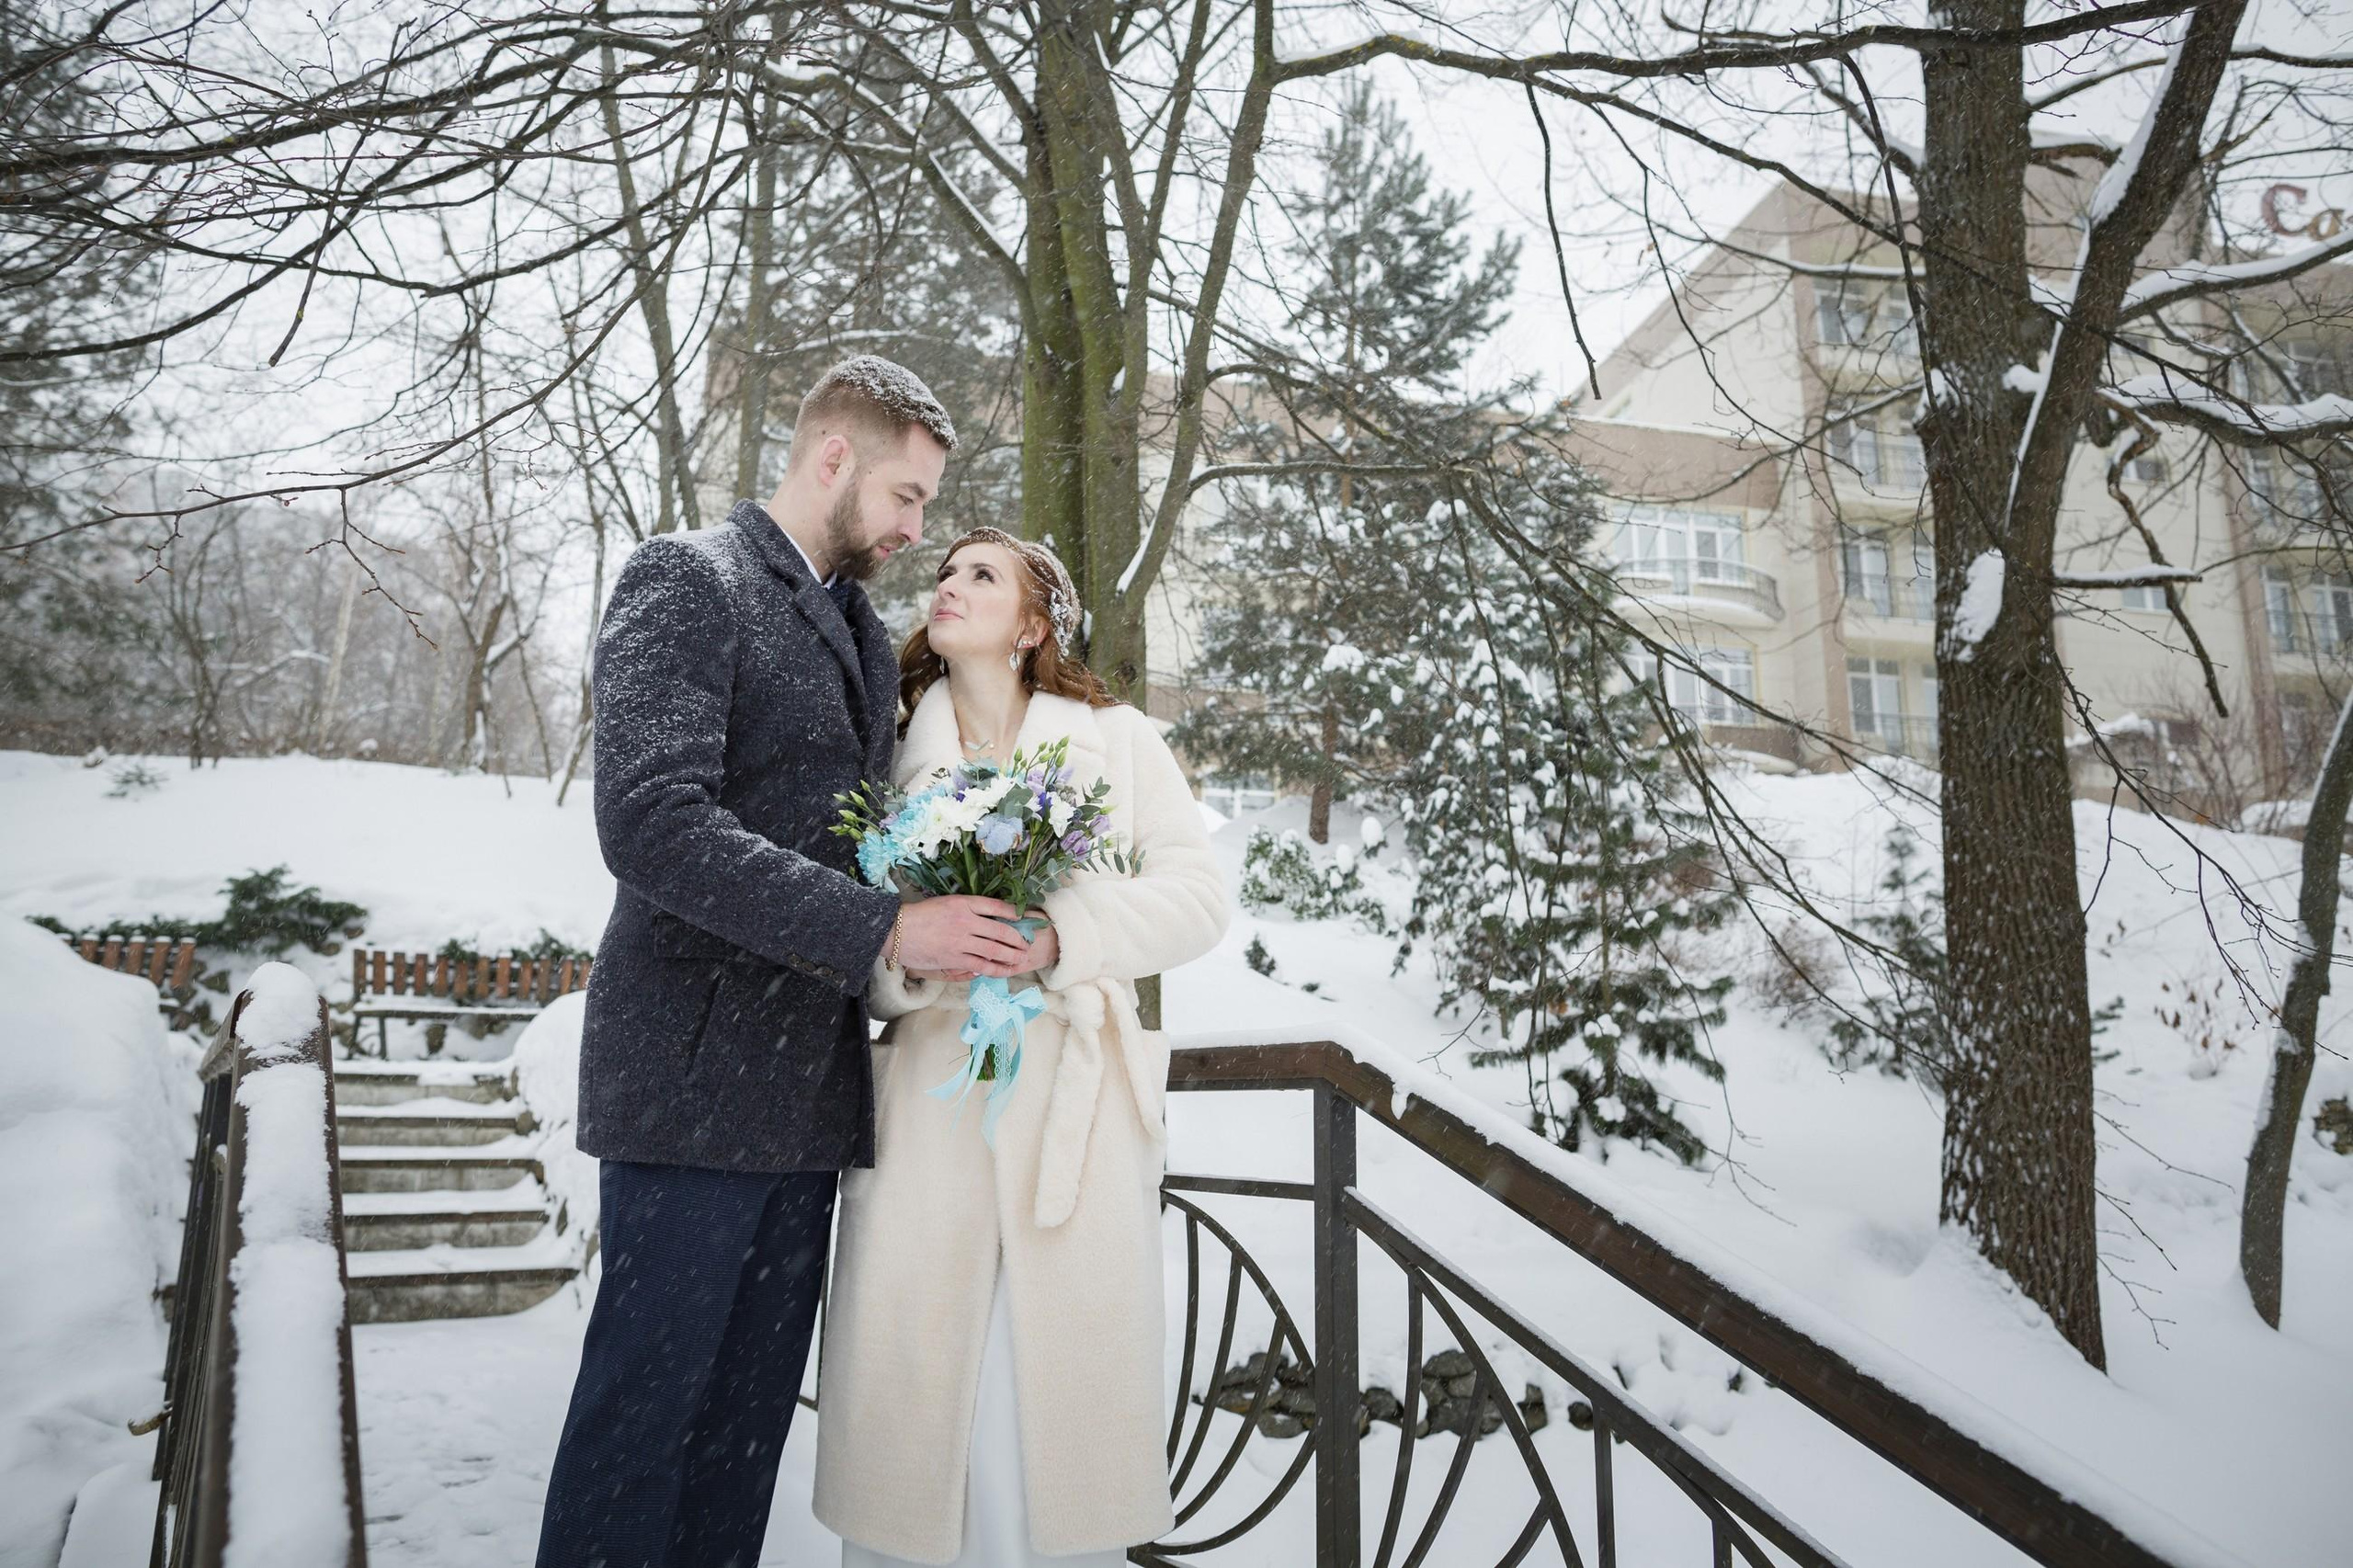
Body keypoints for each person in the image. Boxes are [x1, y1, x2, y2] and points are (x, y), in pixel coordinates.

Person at [535, 358, 1039, 1568]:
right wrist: (882, 931)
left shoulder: (863, 636)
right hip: (691, 1092)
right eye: (908, 496)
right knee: (639, 1438)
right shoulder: (686, 580)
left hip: (810, 1107)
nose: (919, 530)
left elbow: (869, 836)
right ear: (832, 458)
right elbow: (651, 820)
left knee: (739, 1449)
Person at [812, 528, 1230, 1566]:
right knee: (922, 1390)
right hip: (932, 1101)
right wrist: (912, 958)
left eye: (981, 575)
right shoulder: (889, 747)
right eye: (944, 572)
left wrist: (1062, 937)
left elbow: (1198, 896)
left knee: (1046, 1392)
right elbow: (848, 930)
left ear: (1035, 623)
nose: (947, 586)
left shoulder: (1119, 738)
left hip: (1072, 1108)